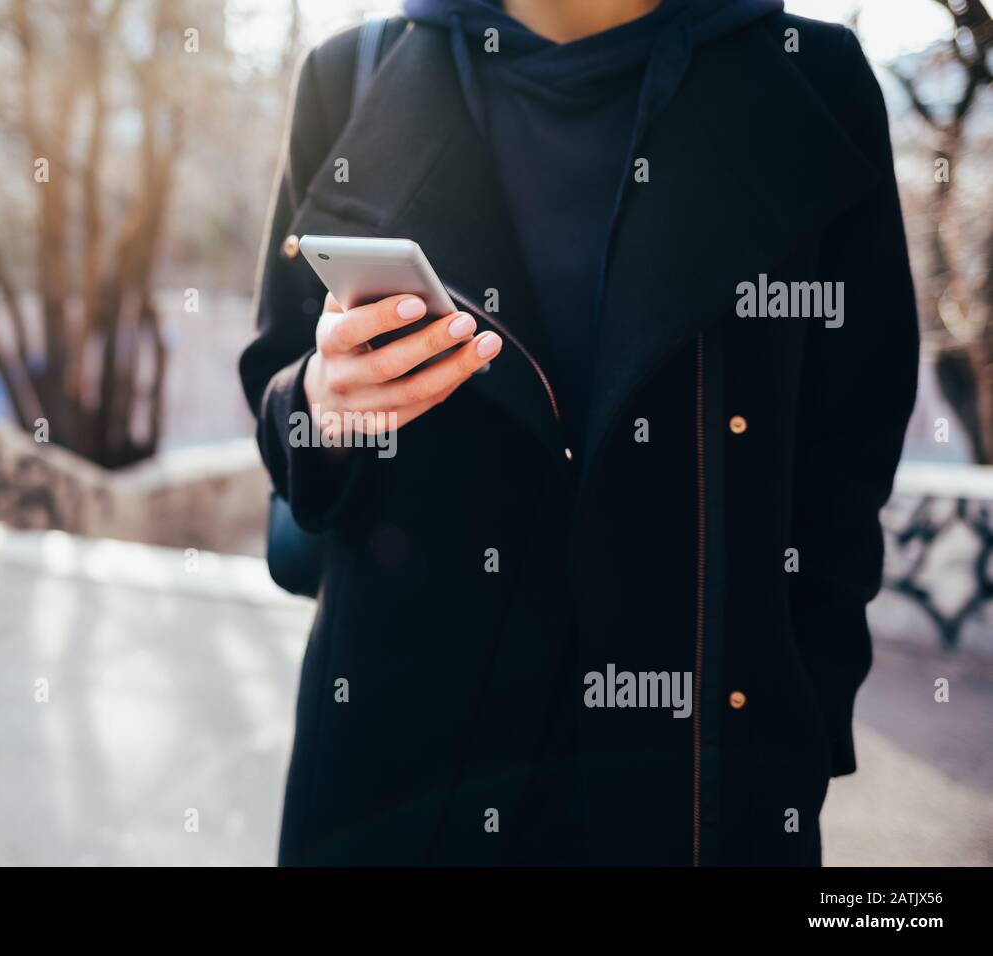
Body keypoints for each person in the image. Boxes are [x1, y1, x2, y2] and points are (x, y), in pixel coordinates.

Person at [239, 0, 919, 866]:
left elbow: (850, 455)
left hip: (702, 794)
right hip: (396, 790)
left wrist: (797, 727)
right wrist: (325, 403)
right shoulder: (351, 73)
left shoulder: (811, 77)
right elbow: (278, 385)